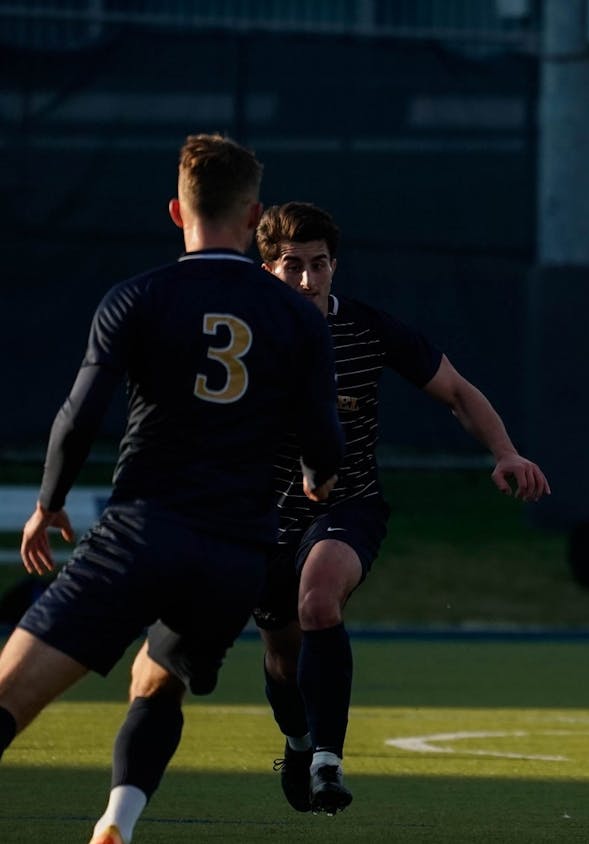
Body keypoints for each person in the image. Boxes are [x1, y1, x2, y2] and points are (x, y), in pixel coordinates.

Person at [0, 134, 344, 844]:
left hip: (143, 532)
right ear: (254, 219)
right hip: (234, 557)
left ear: (175, 211)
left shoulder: (140, 297)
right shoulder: (296, 318)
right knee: (157, 682)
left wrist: (49, 503)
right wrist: (316, 476)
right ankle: (116, 821)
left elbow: (80, 415)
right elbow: (324, 443)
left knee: (9, 695)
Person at [244, 201, 550, 815]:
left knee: (319, 599)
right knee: (282, 651)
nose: (308, 281)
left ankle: (328, 761)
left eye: (320, 265)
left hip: (348, 505)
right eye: (293, 267)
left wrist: (506, 452)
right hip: (263, 518)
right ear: (267, 268)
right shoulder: (242, 338)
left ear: (336, 266)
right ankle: (299, 743)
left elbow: (458, 393)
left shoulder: (368, 329)